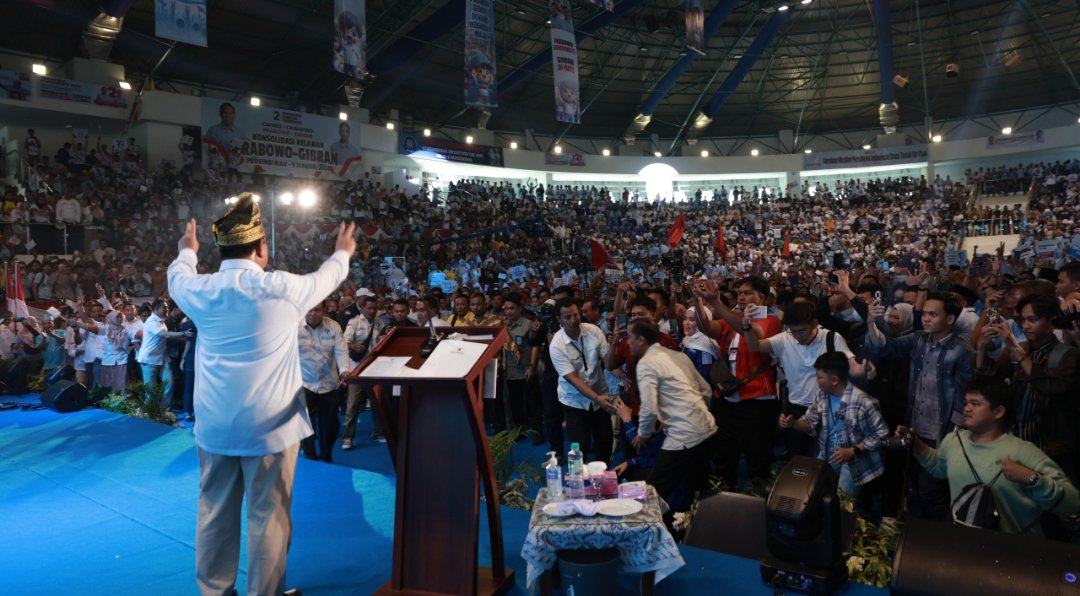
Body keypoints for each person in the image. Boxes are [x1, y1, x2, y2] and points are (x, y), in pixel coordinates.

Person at [167, 192, 356, 595]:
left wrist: (187, 250)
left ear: (222, 251)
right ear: (260, 248)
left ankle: (216, 592)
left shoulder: (198, 290)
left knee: (214, 512)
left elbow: (176, 274)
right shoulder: (281, 289)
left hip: (215, 426)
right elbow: (329, 277)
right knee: (267, 516)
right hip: (270, 429)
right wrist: (342, 251)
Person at [907, 380, 1080, 536]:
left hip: (1014, 551)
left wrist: (1032, 478)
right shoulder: (954, 441)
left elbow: (1072, 503)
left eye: (975, 404)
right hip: (964, 546)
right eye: (966, 402)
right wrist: (917, 445)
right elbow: (939, 468)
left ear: (998, 412)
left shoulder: (1023, 452)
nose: (966, 408)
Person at [866, 292, 975, 520]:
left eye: (933, 314)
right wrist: (871, 322)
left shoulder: (962, 351)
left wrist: (955, 433)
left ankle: (942, 538)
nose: (926, 319)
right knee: (916, 485)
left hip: (943, 431)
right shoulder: (918, 339)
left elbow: (963, 395)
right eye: (924, 314)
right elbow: (887, 346)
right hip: (916, 425)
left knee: (931, 490)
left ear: (950, 319)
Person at [694, 276, 781, 490]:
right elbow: (706, 327)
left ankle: (760, 508)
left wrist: (716, 303)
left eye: (748, 293)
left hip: (757, 401)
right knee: (724, 457)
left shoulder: (770, 320)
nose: (742, 297)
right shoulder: (731, 320)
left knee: (758, 460)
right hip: (727, 399)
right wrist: (698, 300)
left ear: (763, 298)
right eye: (740, 293)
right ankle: (723, 504)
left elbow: (750, 333)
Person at [628, 318, 718, 517]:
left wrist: (643, 434)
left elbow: (648, 407)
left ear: (641, 340)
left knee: (651, 494)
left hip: (683, 437)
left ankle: (642, 538)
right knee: (700, 488)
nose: (628, 342)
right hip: (708, 431)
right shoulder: (679, 356)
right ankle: (702, 533)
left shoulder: (646, 364)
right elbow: (706, 391)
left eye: (629, 337)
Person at [779, 352, 888, 498]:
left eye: (819, 377)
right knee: (814, 499)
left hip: (854, 463)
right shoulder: (822, 394)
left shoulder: (863, 402)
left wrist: (852, 450)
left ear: (835, 380)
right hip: (826, 456)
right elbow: (810, 424)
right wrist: (793, 423)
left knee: (841, 507)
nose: (816, 380)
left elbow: (881, 436)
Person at [548, 298, 616, 465]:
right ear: (559, 320)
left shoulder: (594, 330)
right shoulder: (556, 345)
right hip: (574, 400)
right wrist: (596, 398)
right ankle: (582, 481)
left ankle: (604, 476)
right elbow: (573, 379)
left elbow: (608, 363)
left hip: (600, 393)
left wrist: (614, 343)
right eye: (568, 317)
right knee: (580, 446)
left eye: (576, 315)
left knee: (605, 441)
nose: (573, 320)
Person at [298, 302, 351, 463]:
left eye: (317, 310)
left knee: (330, 424)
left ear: (324, 311)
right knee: (305, 421)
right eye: (309, 310)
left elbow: (341, 351)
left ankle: (326, 454)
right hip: (304, 383)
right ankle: (309, 453)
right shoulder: (293, 327)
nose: (312, 314)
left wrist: (344, 370)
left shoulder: (333, 326)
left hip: (329, 383)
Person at [341, 295, 380, 449]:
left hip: (375, 369)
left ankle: (378, 432)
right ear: (362, 308)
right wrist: (352, 345)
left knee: (377, 403)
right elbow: (343, 341)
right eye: (369, 308)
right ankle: (348, 437)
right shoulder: (354, 322)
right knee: (352, 405)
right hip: (357, 369)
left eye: (374, 308)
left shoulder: (380, 323)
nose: (371, 311)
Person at [136, 299, 188, 406]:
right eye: (164, 307)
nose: (167, 309)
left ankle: (165, 411)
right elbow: (164, 334)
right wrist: (183, 334)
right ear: (156, 309)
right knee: (151, 392)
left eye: (167, 307)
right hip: (149, 360)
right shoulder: (151, 321)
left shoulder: (161, 320)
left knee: (169, 384)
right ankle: (147, 417)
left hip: (162, 359)